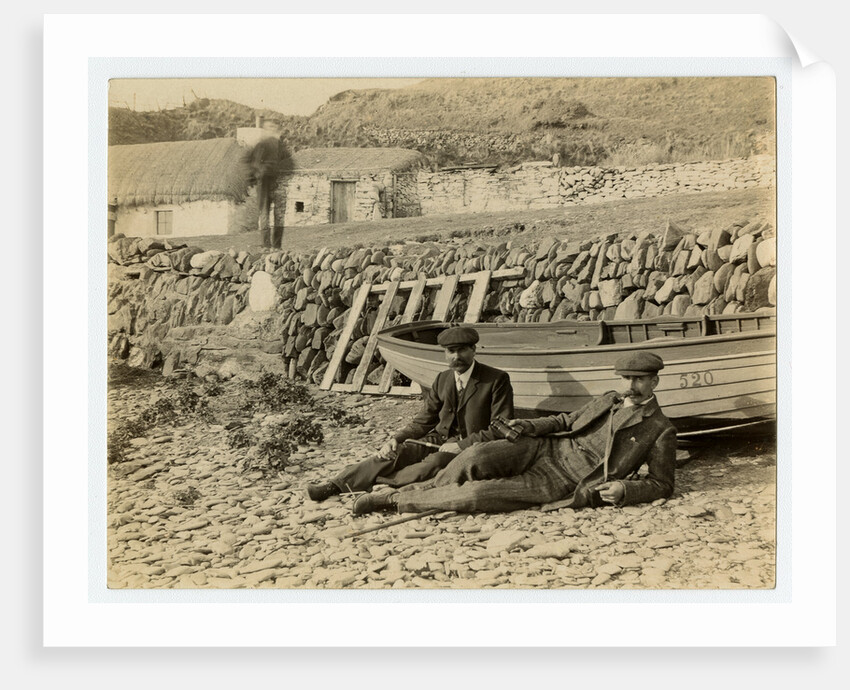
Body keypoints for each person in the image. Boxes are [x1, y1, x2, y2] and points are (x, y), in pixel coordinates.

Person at [351, 351, 676, 516]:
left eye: (639, 380)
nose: (630, 386)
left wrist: (625, 489)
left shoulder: (659, 428)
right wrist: (526, 426)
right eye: (626, 378)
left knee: (479, 495)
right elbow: (564, 421)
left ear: (654, 383)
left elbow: (662, 483)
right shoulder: (609, 398)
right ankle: (427, 488)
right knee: (474, 455)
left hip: (565, 480)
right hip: (544, 448)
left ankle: (393, 500)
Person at [305, 325, 514, 501]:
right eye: (451, 351)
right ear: (445, 353)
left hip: (471, 446)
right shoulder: (443, 379)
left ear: (473, 350)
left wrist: (459, 445)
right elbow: (425, 420)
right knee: (397, 453)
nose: (456, 356)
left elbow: (499, 427)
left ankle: (378, 484)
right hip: (438, 438)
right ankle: (334, 485)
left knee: (431, 464)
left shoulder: (495, 379)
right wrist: (396, 438)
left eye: (462, 350)